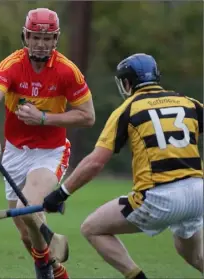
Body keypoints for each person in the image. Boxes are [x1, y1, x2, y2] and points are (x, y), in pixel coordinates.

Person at [42, 53, 203, 278]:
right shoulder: (188, 102)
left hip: (159, 197)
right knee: (193, 255)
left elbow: (95, 162)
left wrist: (61, 193)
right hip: (198, 194)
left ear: (127, 82)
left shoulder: (128, 109)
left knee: (92, 228)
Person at [0, 7, 95, 279]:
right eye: (35, 37)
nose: (41, 43)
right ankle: (56, 269)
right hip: (15, 153)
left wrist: (44, 118)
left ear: (56, 40)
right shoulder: (11, 66)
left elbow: (88, 117)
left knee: (26, 207)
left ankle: (42, 270)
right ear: (25, 37)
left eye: (48, 38)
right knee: (27, 233)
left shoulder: (67, 71)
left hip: (50, 152)